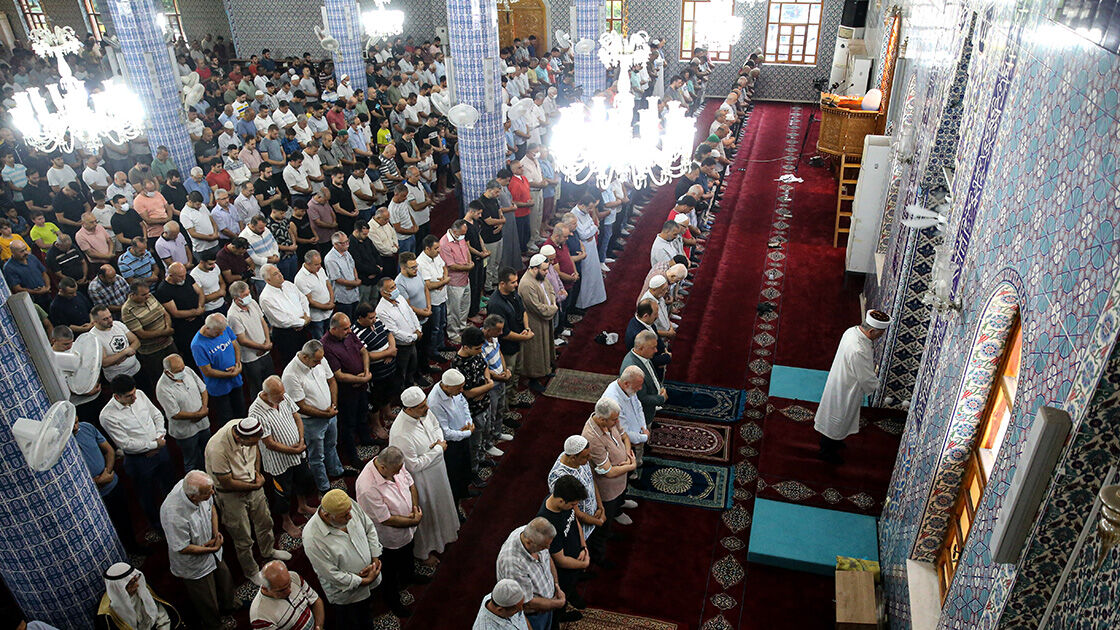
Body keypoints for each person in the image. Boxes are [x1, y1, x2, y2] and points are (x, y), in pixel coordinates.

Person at [204, 416, 292, 585]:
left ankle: (268, 551)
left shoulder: (246, 428)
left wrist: (257, 474)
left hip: (253, 484)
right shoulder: (217, 448)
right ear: (239, 438)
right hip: (230, 495)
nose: (255, 444)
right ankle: (251, 571)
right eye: (251, 442)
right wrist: (254, 486)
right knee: (242, 536)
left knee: (265, 522)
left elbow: (256, 450)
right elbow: (226, 482)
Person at [388, 386, 460, 567]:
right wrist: (437, 449)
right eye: (421, 406)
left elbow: (436, 426)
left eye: (425, 403)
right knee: (427, 513)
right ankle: (424, 551)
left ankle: (445, 535)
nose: (427, 407)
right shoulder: (400, 433)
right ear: (409, 409)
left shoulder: (423, 413)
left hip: (438, 470)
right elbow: (413, 465)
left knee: (442, 503)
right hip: (422, 479)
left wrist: (438, 441)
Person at [355, 446, 426, 618]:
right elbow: (386, 519)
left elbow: (411, 485)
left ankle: (409, 575)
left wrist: (414, 508)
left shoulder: (395, 465)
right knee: (390, 572)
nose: (399, 472)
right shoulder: (367, 487)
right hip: (389, 538)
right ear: (383, 468)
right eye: (396, 471)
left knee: (408, 553)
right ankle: (392, 599)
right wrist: (413, 520)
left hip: (408, 526)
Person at [159, 470, 234, 630]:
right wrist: (209, 549)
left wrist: (215, 533)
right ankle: (215, 624)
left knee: (224, 576)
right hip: (194, 562)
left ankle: (230, 605)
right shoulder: (173, 514)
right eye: (209, 492)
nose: (213, 493)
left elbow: (212, 508)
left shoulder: (201, 488)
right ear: (194, 497)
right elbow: (182, 547)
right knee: (207, 598)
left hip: (212, 547)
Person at [814, 310, 890, 464]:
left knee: (839, 417)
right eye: (880, 333)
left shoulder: (852, 332)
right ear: (872, 331)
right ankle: (826, 452)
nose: (880, 336)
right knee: (837, 418)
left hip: (842, 379)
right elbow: (865, 377)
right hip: (846, 388)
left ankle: (834, 442)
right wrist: (877, 385)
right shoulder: (858, 349)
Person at [302, 489, 384, 628]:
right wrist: (362, 581)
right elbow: (330, 574)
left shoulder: (347, 505)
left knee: (367, 612)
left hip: (371, 575)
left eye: (350, 511)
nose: (350, 517)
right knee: (352, 622)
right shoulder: (312, 538)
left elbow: (369, 527)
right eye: (345, 515)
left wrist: (375, 558)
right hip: (347, 595)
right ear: (327, 515)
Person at [250, 375, 317, 539]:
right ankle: (286, 521)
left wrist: (301, 440)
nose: (283, 396)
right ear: (266, 394)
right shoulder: (255, 412)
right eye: (279, 395)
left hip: (297, 452)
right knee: (283, 493)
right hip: (279, 462)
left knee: (303, 479)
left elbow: (296, 417)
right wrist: (291, 450)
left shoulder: (282, 395)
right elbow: (269, 443)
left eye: (283, 393)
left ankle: (302, 506)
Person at [282, 340, 345, 494]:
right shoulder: (291, 374)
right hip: (311, 422)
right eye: (316, 361)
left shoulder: (320, 359)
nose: (320, 363)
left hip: (330, 414)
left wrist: (333, 405)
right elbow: (300, 406)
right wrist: (326, 414)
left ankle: (336, 471)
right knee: (317, 457)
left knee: (331, 445)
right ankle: (324, 486)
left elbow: (332, 381)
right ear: (304, 357)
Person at [72, 416, 141, 553]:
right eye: (71, 425)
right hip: (92, 496)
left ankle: (134, 548)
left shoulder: (87, 427)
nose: (75, 427)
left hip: (112, 484)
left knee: (125, 518)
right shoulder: (60, 444)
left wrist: (107, 472)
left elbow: (109, 450)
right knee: (108, 529)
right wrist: (95, 483)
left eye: (76, 422)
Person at [495, 517, 567, 630]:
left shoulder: (533, 535)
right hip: (534, 614)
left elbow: (548, 559)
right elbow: (527, 602)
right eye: (544, 547)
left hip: (548, 603)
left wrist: (556, 585)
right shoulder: (513, 564)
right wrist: (558, 604)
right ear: (529, 542)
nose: (547, 548)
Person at [321, 312, 372, 466]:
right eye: (345, 329)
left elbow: (363, 351)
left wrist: (366, 372)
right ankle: (352, 455)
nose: (349, 331)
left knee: (363, 412)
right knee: (348, 424)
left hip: (361, 385)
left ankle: (365, 438)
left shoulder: (348, 334)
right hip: (346, 392)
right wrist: (362, 378)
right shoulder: (326, 346)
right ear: (334, 329)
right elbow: (338, 375)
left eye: (349, 327)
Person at [582, 397, 637, 535]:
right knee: (606, 520)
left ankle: (620, 507)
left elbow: (625, 437)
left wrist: (627, 456)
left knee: (621, 494)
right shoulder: (591, 437)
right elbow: (608, 472)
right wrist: (631, 465)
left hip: (622, 474)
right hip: (609, 487)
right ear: (601, 419)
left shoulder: (611, 421)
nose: (617, 422)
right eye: (614, 420)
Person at [536, 475, 590, 610]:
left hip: (577, 557)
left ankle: (573, 593)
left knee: (572, 585)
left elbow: (575, 520)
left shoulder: (564, 504)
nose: (574, 507)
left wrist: (583, 547)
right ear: (561, 501)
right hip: (564, 571)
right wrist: (583, 563)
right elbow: (560, 560)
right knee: (562, 597)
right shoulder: (546, 524)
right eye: (572, 504)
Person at [426, 368, 476, 504]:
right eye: (459, 388)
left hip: (463, 434)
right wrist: (468, 432)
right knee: (454, 475)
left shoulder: (454, 391)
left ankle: (464, 491)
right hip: (452, 444)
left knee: (465, 467)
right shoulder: (435, 402)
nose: (461, 391)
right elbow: (445, 432)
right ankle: (455, 503)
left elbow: (464, 403)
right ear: (447, 386)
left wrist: (469, 422)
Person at [548, 436, 605, 555]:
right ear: (573, 458)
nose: (590, 458)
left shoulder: (580, 459)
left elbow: (591, 480)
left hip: (595, 516)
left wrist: (600, 507)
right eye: (586, 456)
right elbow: (574, 512)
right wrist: (597, 522)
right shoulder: (559, 477)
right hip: (580, 528)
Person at [155, 354, 211, 472]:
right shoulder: (162, 388)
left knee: (209, 452)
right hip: (186, 431)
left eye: (182, 368)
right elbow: (174, 413)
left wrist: (204, 407)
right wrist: (197, 415)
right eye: (178, 370)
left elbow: (203, 389)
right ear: (168, 372)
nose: (182, 371)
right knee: (191, 460)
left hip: (203, 423)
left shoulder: (187, 371)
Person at [488, 267, 533, 414]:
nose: (516, 284)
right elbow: (504, 334)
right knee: (508, 378)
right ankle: (505, 411)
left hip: (518, 341)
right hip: (507, 348)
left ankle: (513, 400)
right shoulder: (496, 304)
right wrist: (525, 337)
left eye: (516, 281)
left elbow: (523, 311)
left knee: (517, 374)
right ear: (502, 283)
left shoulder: (514, 294)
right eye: (513, 282)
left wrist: (526, 328)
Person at [191, 313, 246, 421]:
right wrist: (230, 374)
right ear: (207, 328)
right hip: (219, 387)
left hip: (235, 379)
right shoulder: (198, 345)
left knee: (241, 410)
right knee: (226, 417)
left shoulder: (223, 327)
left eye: (222, 331)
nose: (221, 334)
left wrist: (238, 364)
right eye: (218, 332)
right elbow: (207, 371)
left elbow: (235, 345)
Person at [227, 281, 274, 398]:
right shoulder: (233, 315)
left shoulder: (252, 302)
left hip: (265, 350)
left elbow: (262, 321)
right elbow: (242, 340)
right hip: (251, 358)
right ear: (236, 299)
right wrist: (262, 347)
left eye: (249, 293)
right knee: (257, 388)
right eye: (245, 295)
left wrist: (267, 342)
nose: (249, 297)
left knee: (272, 381)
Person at [518, 254, 557, 393]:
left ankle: (545, 369)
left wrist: (552, 302)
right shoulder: (526, 285)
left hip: (545, 317)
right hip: (534, 321)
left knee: (545, 346)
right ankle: (533, 377)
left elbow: (551, 289)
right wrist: (553, 308)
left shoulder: (540, 276)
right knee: (535, 350)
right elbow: (537, 307)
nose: (547, 272)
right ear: (534, 269)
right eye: (544, 270)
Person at [250, 560, 326, 630]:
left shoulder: (293, 577)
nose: (289, 591)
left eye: (289, 584)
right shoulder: (260, 617)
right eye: (282, 590)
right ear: (265, 588)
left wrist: (318, 626)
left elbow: (316, 601)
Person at [375, 276, 423, 387]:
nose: (396, 289)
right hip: (401, 346)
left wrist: (418, 329)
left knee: (413, 366)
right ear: (383, 292)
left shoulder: (400, 298)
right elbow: (394, 332)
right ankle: (401, 394)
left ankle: (410, 385)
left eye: (395, 286)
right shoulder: (381, 310)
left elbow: (411, 314)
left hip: (413, 339)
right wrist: (415, 336)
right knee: (401, 372)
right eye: (392, 288)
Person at [156, 262, 206, 366]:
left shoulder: (187, 277)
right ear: (171, 275)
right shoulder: (163, 290)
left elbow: (200, 292)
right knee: (190, 352)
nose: (183, 278)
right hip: (183, 327)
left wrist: (200, 307)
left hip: (198, 320)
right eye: (180, 276)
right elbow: (175, 313)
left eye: (184, 275)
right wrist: (194, 312)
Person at [98, 562, 174, 630]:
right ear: (120, 589)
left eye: (136, 579)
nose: (137, 585)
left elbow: (161, 614)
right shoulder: (107, 615)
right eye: (132, 583)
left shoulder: (142, 589)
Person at [259, 263, 312, 359]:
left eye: (279, 271)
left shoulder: (288, 284)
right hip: (286, 335)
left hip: (302, 329)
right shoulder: (266, 298)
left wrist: (306, 315)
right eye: (275, 274)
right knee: (292, 360)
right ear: (268, 280)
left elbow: (303, 299)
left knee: (307, 357)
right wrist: (303, 322)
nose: (280, 275)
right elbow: (282, 320)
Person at [604, 366, 650, 472]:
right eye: (638, 386)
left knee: (637, 457)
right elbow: (624, 433)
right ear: (626, 384)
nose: (640, 389)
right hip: (626, 443)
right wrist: (644, 437)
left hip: (639, 434)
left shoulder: (628, 388)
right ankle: (633, 478)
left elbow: (638, 407)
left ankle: (639, 464)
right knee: (628, 466)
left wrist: (643, 427)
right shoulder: (613, 402)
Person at [621, 331, 667, 429]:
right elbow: (641, 398)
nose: (656, 350)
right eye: (653, 348)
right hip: (641, 414)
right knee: (643, 432)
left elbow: (652, 374)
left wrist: (660, 387)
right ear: (641, 348)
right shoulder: (632, 370)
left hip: (649, 409)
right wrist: (661, 399)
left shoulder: (643, 356)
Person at [438, 220, 473, 344]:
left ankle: (462, 327)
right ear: (454, 231)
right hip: (454, 282)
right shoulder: (444, 244)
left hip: (465, 278)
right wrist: (468, 267)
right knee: (454, 310)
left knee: (465, 305)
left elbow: (466, 249)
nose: (464, 236)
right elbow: (451, 266)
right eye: (462, 233)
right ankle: (453, 333)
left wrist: (470, 261)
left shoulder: (460, 236)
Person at [570, 199, 606, 309]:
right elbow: (583, 234)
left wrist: (592, 228)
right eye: (589, 207)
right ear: (581, 204)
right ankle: (583, 302)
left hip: (591, 245)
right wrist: (593, 228)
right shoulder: (574, 214)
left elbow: (592, 225)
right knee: (586, 274)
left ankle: (594, 298)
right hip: (585, 246)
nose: (590, 210)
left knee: (593, 272)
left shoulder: (584, 212)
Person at [294, 250, 335, 339]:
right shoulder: (300, 279)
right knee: (320, 340)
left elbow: (328, 284)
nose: (320, 266)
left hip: (329, 312)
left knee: (331, 337)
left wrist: (331, 301)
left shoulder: (320, 269)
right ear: (307, 264)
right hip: (316, 318)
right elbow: (310, 301)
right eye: (316, 264)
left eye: (320, 263)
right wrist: (327, 307)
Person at [323, 231, 361, 317]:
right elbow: (337, 279)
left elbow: (353, 267)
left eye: (347, 241)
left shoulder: (346, 253)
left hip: (354, 294)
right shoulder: (330, 259)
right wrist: (355, 283)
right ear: (335, 244)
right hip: (343, 297)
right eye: (343, 243)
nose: (347, 244)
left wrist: (356, 280)